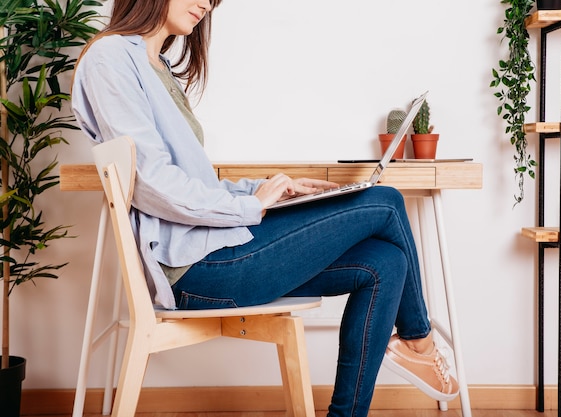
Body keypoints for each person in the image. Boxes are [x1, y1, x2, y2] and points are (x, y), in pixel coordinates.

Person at [71, 1, 459, 416]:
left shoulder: (159, 67)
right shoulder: (110, 57)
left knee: (386, 261)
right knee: (387, 201)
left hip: (218, 251)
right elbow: (152, 184)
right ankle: (419, 341)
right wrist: (252, 206)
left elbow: (193, 182)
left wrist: (272, 189)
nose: (205, 4)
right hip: (195, 270)